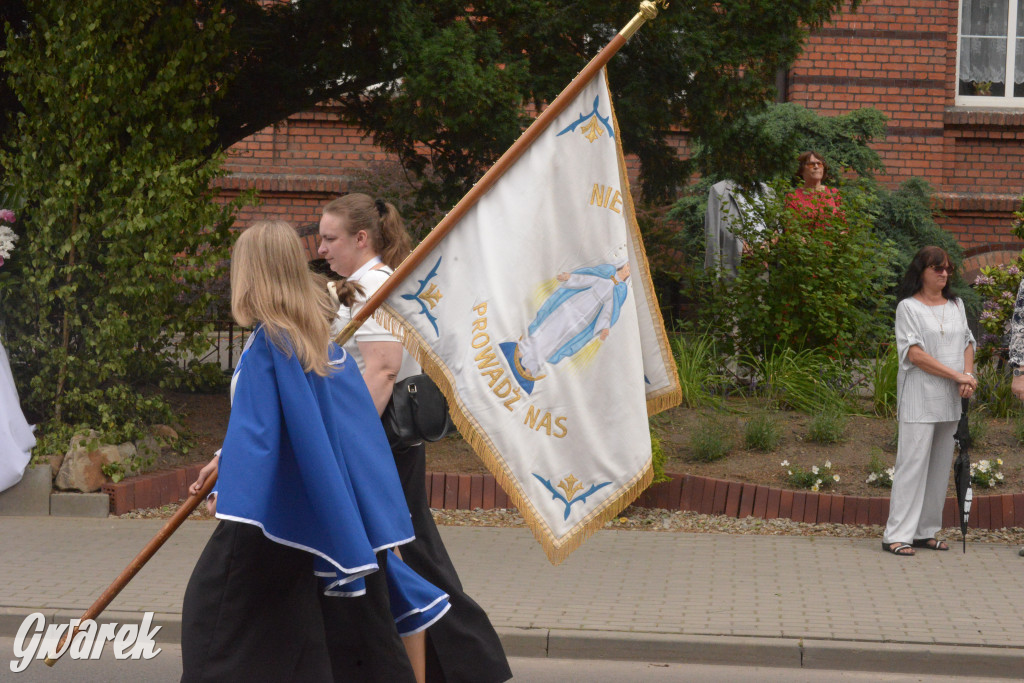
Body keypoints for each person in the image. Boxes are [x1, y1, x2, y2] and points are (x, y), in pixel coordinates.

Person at [181, 220, 449, 681]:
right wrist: (226, 460)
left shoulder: (275, 341)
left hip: (269, 518)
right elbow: (308, 426)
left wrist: (234, 489)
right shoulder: (312, 341)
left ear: (250, 273)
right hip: (307, 515)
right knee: (306, 635)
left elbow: (264, 433)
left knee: (216, 624)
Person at [318, 193, 512, 683]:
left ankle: (466, 663)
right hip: (382, 440)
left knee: (407, 556)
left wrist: (348, 444)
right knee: (409, 554)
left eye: (330, 238)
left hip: (378, 440)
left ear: (362, 238)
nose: (321, 248)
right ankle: (456, 665)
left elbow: (382, 372)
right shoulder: (368, 287)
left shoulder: (376, 289)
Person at [882, 246, 976, 556]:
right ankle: (896, 534)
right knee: (912, 465)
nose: (944, 274)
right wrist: (957, 376)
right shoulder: (908, 307)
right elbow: (915, 354)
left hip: (949, 399)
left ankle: (925, 532)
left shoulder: (957, 305)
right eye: (937, 268)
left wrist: (967, 376)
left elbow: (967, 342)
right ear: (921, 271)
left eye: (947, 269)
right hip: (918, 398)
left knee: (938, 468)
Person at [785, 151, 843, 225]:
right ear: (801, 170)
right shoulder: (793, 196)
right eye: (811, 164)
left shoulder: (834, 193)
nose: (816, 166)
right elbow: (791, 229)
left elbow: (843, 225)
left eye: (819, 164)